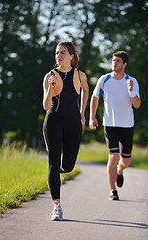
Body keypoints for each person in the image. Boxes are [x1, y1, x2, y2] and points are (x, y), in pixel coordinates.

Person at [43, 41, 89, 220]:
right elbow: (46, 106)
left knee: (68, 165)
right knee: (54, 163)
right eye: (57, 53)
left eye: (62, 53)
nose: (58, 56)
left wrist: (82, 112)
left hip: (73, 123)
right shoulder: (49, 76)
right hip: (53, 121)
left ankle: (56, 173)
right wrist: (50, 88)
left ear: (71, 56)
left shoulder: (80, 75)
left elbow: (85, 90)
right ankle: (57, 206)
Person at [89, 51, 141, 201]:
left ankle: (120, 170)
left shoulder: (131, 81)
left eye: (118, 61)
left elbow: (137, 105)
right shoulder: (104, 79)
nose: (114, 63)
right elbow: (95, 97)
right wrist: (92, 117)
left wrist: (131, 92)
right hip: (110, 124)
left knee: (125, 161)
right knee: (113, 156)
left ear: (124, 64)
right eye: (113, 60)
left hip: (127, 125)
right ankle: (112, 190)